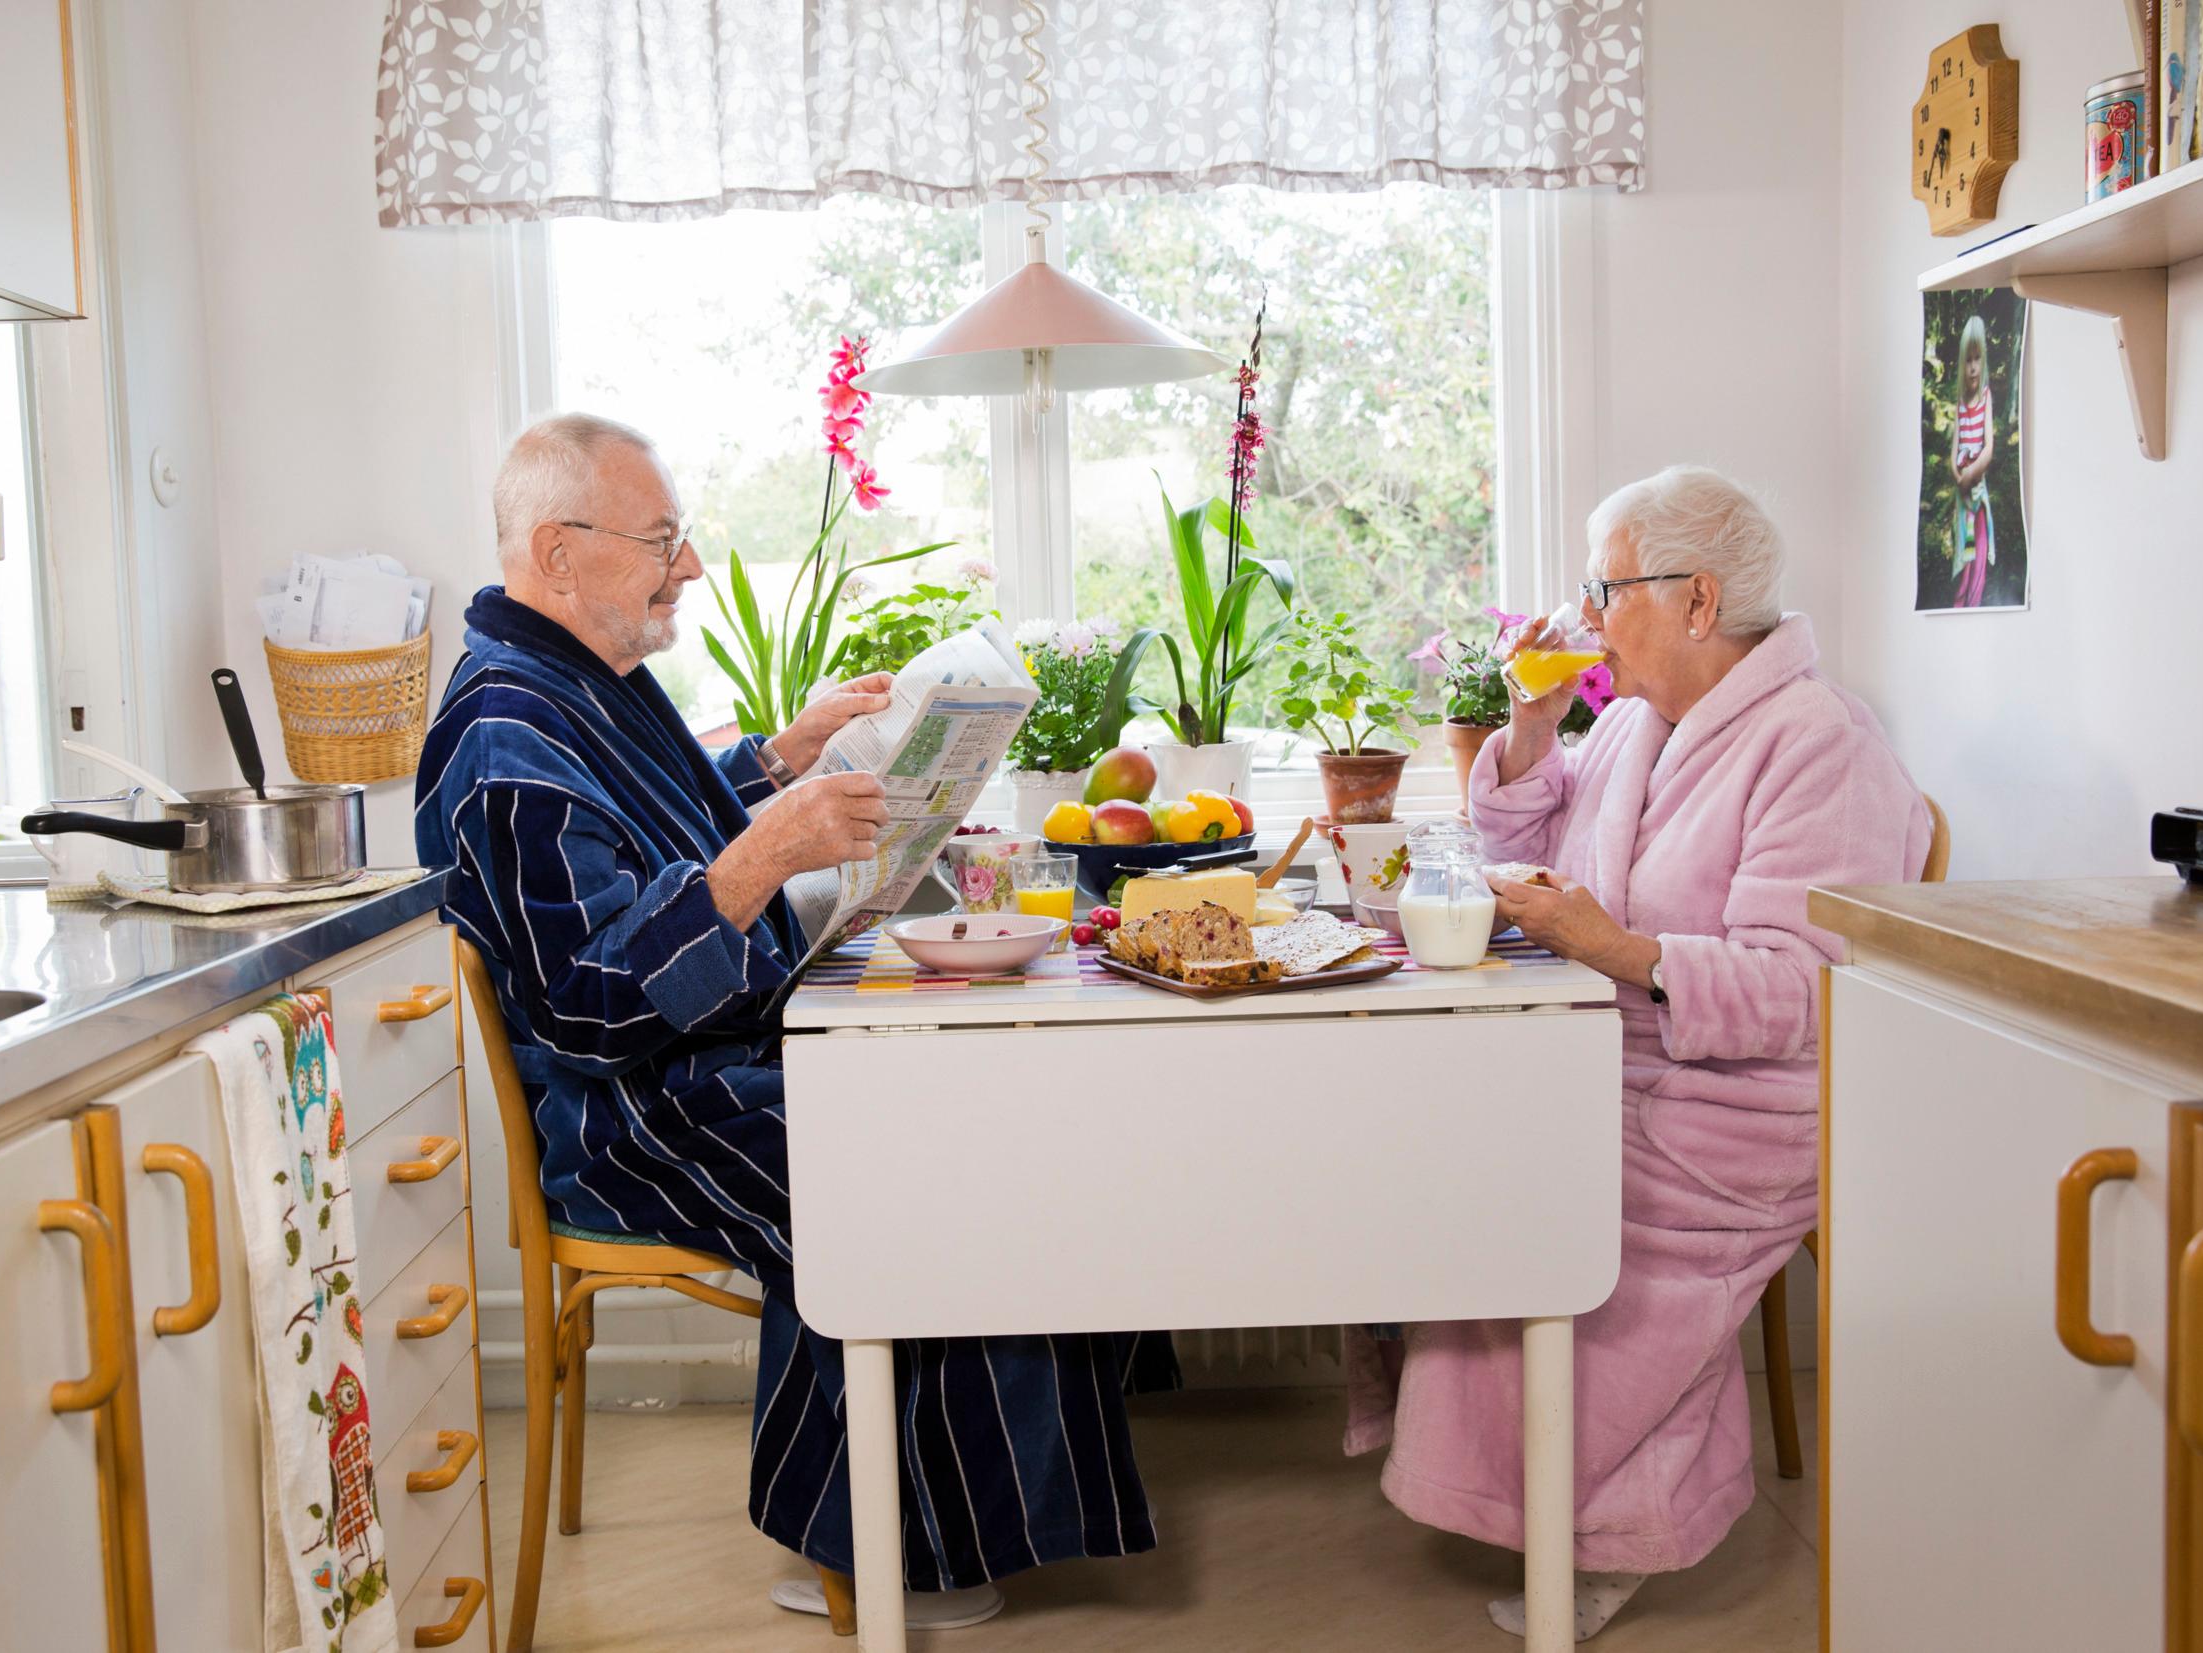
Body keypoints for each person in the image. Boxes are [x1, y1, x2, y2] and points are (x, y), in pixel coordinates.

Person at [416, 414, 1171, 1630]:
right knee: (908, 1172)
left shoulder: (573, 681)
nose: (690, 569)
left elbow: (652, 837)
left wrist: (779, 758)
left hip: (708, 1055)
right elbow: (584, 1004)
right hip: (628, 1112)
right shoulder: (505, 737)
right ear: (557, 554)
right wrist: (763, 854)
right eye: (662, 541)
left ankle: (938, 1510)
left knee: (983, 1111)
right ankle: (870, 1544)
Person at [1346, 466, 1929, 1642]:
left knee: (1547, 1240)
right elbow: (1529, 835)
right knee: (1437, 1184)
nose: (1585, 616)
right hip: (1599, 1062)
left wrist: (1609, 945)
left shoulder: (1820, 744)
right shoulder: (1627, 721)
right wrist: (1527, 728)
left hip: (1736, 1107)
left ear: (1697, 600)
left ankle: (1614, 1528)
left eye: (1602, 588)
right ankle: (1545, 1499)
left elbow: (1803, 991)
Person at [1948, 315, 1996, 608]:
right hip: (1962, 492)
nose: (1973, 367)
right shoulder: (1959, 404)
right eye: (1969, 360)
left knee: (1980, 543)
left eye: (1978, 359)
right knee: (1963, 547)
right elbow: (1953, 453)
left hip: (1977, 487)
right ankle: (1961, 598)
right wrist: (1958, 476)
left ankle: (1975, 598)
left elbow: (1988, 446)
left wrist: (1971, 475)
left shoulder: (1986, 397)